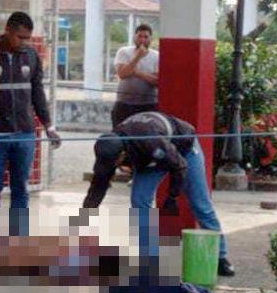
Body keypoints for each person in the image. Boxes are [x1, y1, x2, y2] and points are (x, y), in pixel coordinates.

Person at [82, 111, 235, 278]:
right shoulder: (109, 149)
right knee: (139, 201)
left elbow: (179, 166)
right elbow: (98, 185)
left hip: (184, 151)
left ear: (122, 154)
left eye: (114, 164)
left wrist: (172, 197)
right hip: (150, 158)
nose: (112, 167)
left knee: (200, 204)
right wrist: (86, 216)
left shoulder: (150, 142)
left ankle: (221, 257)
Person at [0, 11, 61, 236]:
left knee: (20, 187)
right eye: (20, 37)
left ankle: (18, 236)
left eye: (28, 38)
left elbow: (38, 93)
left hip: (25, 133)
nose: (24, 42)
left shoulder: (31, 56)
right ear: (8, 31)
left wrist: (49, 126)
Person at [112, 23, 160, 127]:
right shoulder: (124, 52)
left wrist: (137, 72)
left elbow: (157, 81)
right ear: (134, 37)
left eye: (146, 37)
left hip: (148, 104)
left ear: (150, 39)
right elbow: (122, 74)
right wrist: (137, 57)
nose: (142, 40)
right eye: (139, 36)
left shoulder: (156, 56)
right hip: (124, 103)